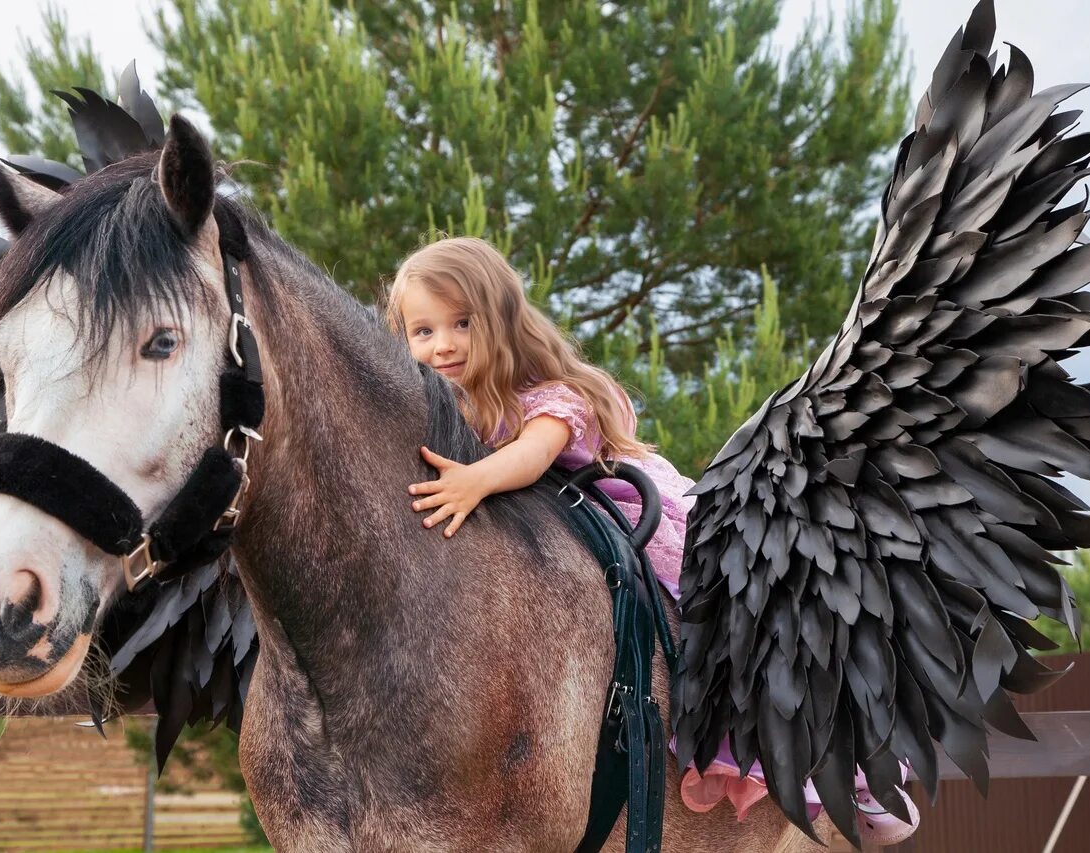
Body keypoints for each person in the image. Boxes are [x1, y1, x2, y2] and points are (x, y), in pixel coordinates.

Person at [385, 235, 916, 844]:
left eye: (461, 323)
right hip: (542, 529)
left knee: (729, 619)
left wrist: (475, 480)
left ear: (502, 321)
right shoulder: (440, 408)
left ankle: (841, 765)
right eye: (422, 331)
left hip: (629, 509)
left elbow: (533, 457)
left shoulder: (549, 394)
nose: (442, 344)